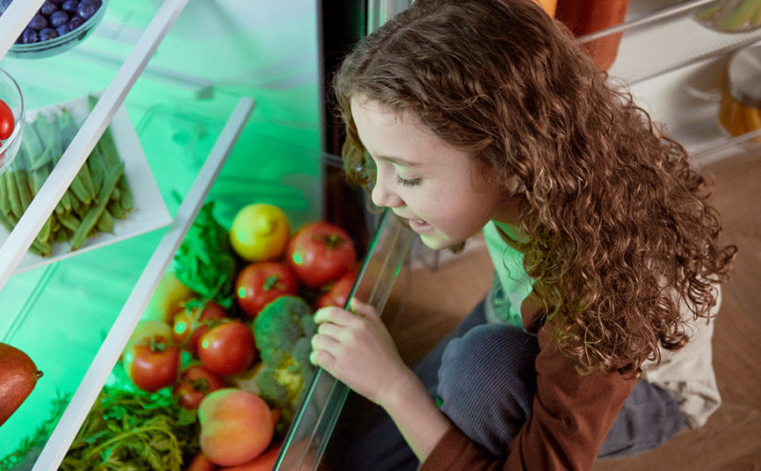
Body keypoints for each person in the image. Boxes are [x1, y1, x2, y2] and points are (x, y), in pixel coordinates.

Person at [308, 0, 738, 469]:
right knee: (365, 459)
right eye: (378, 164)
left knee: (476, 373)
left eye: (408, 177)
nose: (381, 196)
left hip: (641, 386)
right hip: (524, 314)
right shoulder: (550, 171)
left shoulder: (594, 293)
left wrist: (393, 387)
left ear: (513, 162)